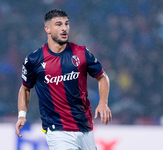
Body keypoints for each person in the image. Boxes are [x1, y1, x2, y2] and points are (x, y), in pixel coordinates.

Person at [15, 9, 112, 150]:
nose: (64, 28)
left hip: (85, 128)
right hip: (57, 130)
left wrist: (103, 102)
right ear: (47, 29)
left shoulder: (81, 53)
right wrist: (22, 115)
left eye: (66, 24)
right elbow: (25, 88)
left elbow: (102, 77)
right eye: (59, 24)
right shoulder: (34, 60)